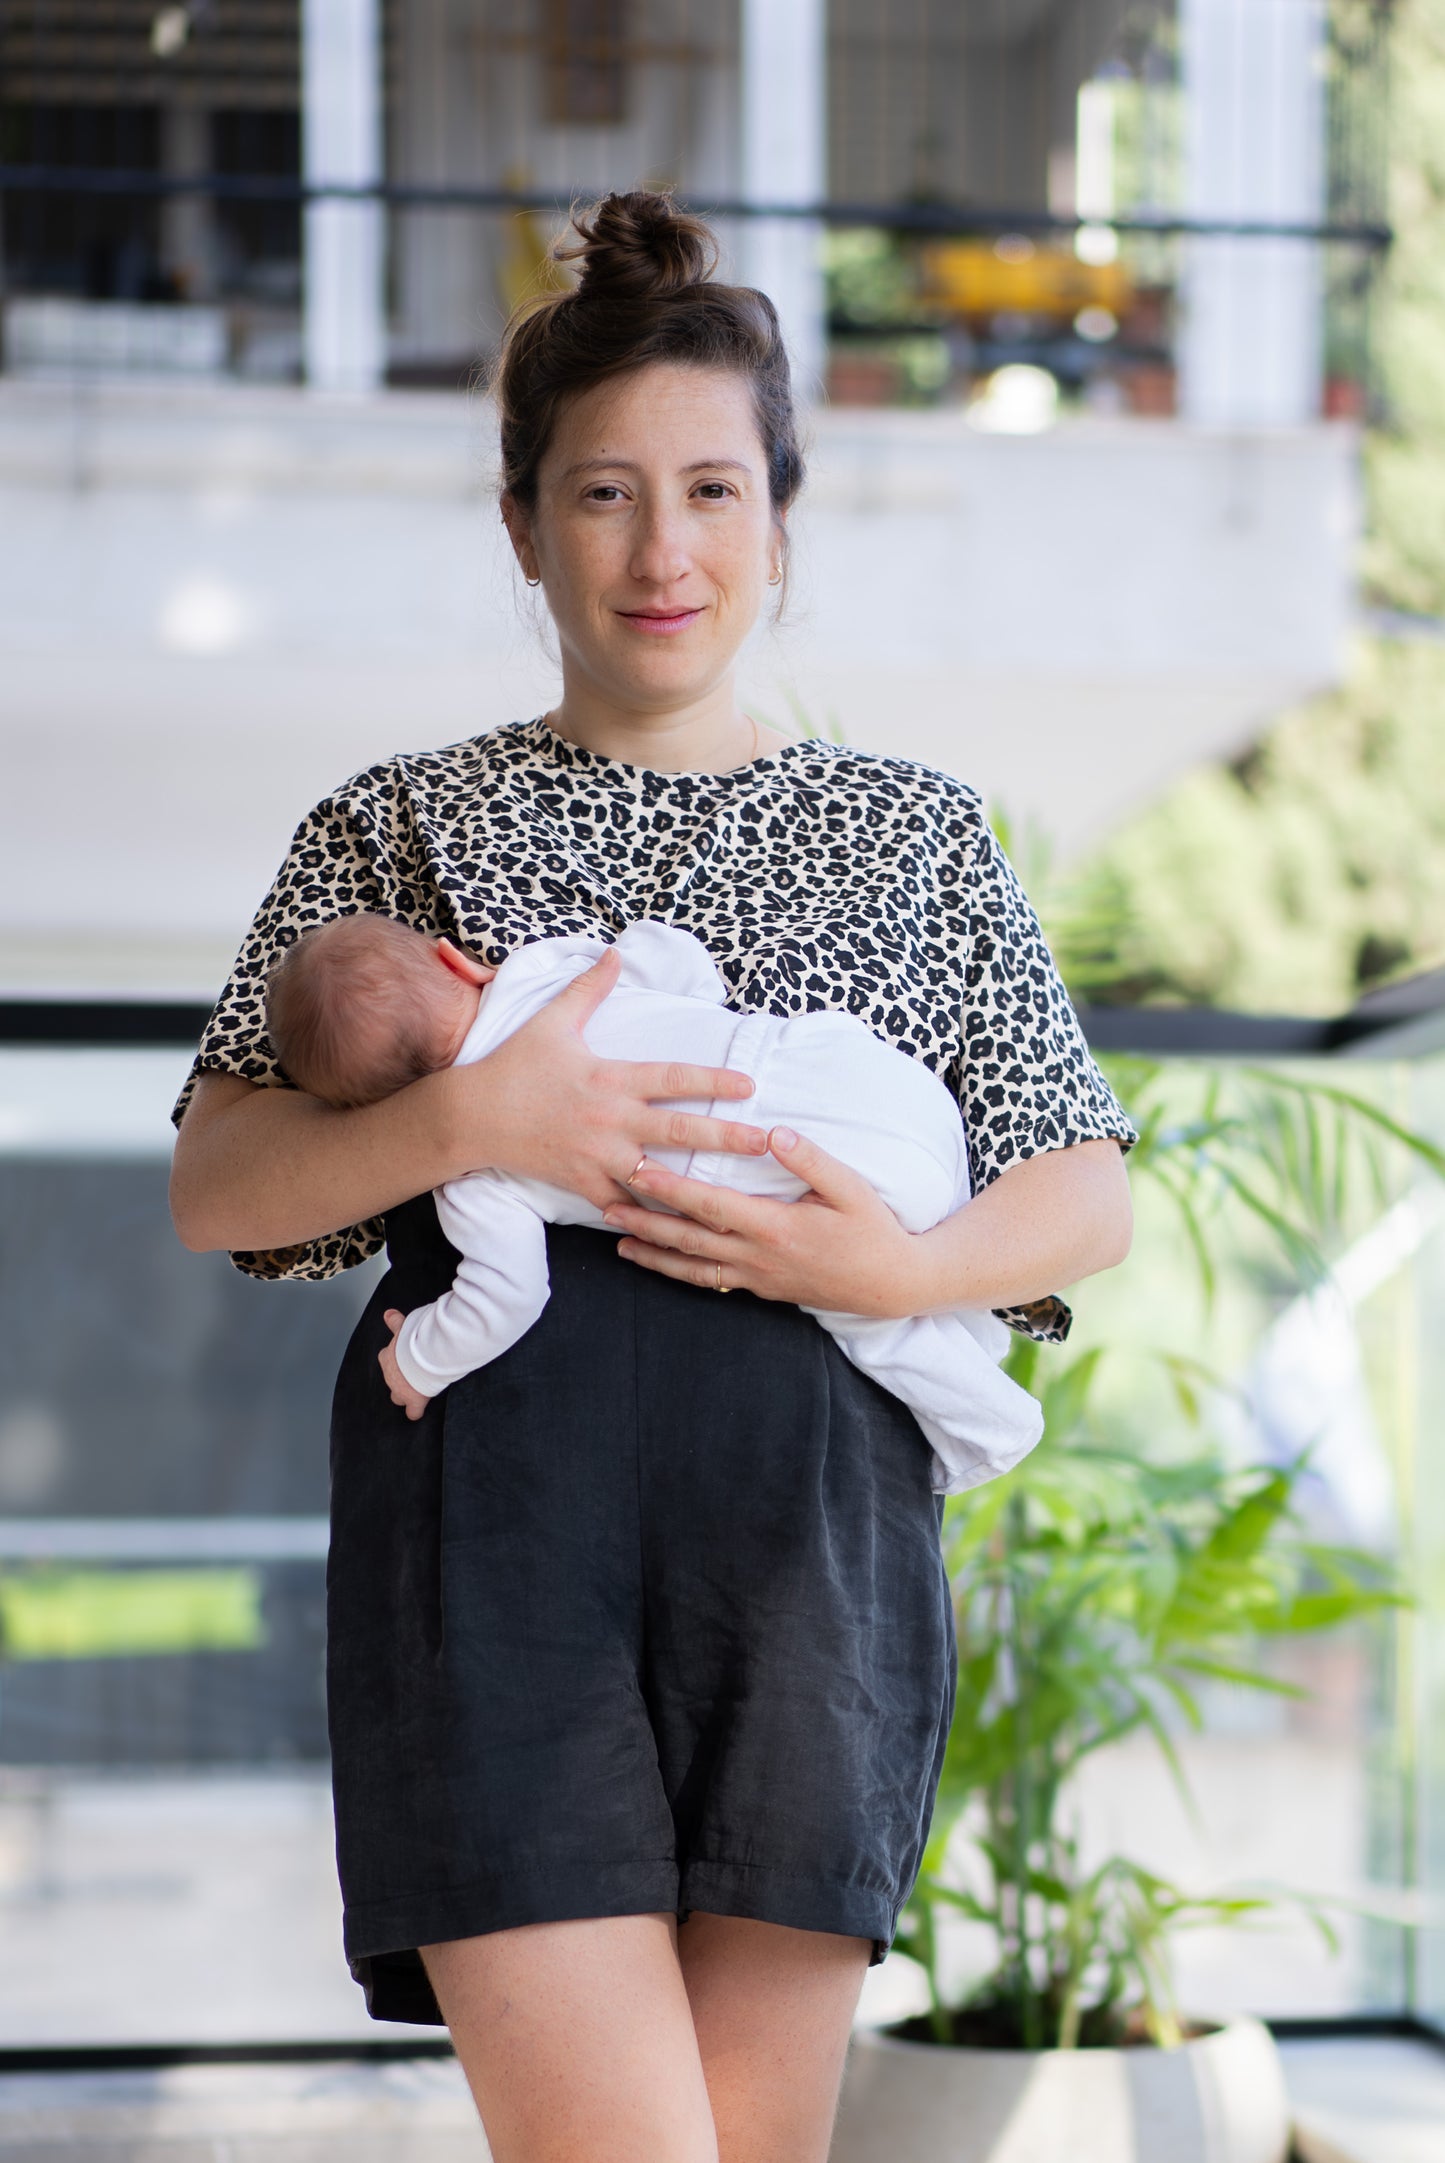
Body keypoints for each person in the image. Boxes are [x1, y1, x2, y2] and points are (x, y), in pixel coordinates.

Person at [170, 189, 1136, 2163]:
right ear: (522, 526)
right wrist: (473, 1123)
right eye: (599, 494)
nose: (661, 545)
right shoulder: (395, 826)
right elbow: (219, 1180)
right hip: (495, 1575)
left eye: (709, 486)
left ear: (780, 521)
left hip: (812, 1580)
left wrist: (888, 1265)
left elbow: (1084, 1191)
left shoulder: (916, 839)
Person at [263, 910, 1045, 1495]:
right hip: (870, 1080)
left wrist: (420, 1357)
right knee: (918, 1252)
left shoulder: (471, 1173)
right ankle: (977, 1337)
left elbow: (506, 1295)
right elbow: (674, 955)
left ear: (372, 1110)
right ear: (456, 962)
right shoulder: (548, 971)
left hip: (796, 1171)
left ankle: (989, 1425)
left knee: (860, 1306)